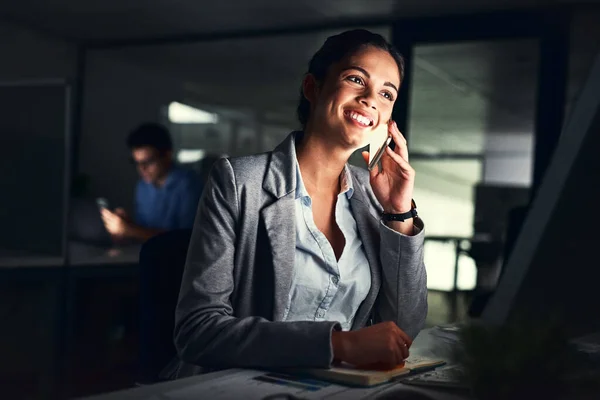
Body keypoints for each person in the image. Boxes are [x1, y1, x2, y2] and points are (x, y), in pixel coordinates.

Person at [168, 29, 427, 379]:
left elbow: (405, 327)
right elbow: (197, 331)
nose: (371, 100)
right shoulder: (238, 181)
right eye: (355, 79)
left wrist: (399, 212)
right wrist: (340, 345)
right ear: (313, 88)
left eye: (386, 93)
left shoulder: (372, 196)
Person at [101, 123, 203, 243]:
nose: (142, 169)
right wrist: (126, 225)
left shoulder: (189, 184)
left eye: (148, 161)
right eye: (137, 162)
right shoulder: (143, 186)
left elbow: (185, 238)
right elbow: (145, 230)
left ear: (167, 155)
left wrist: (130, 230)